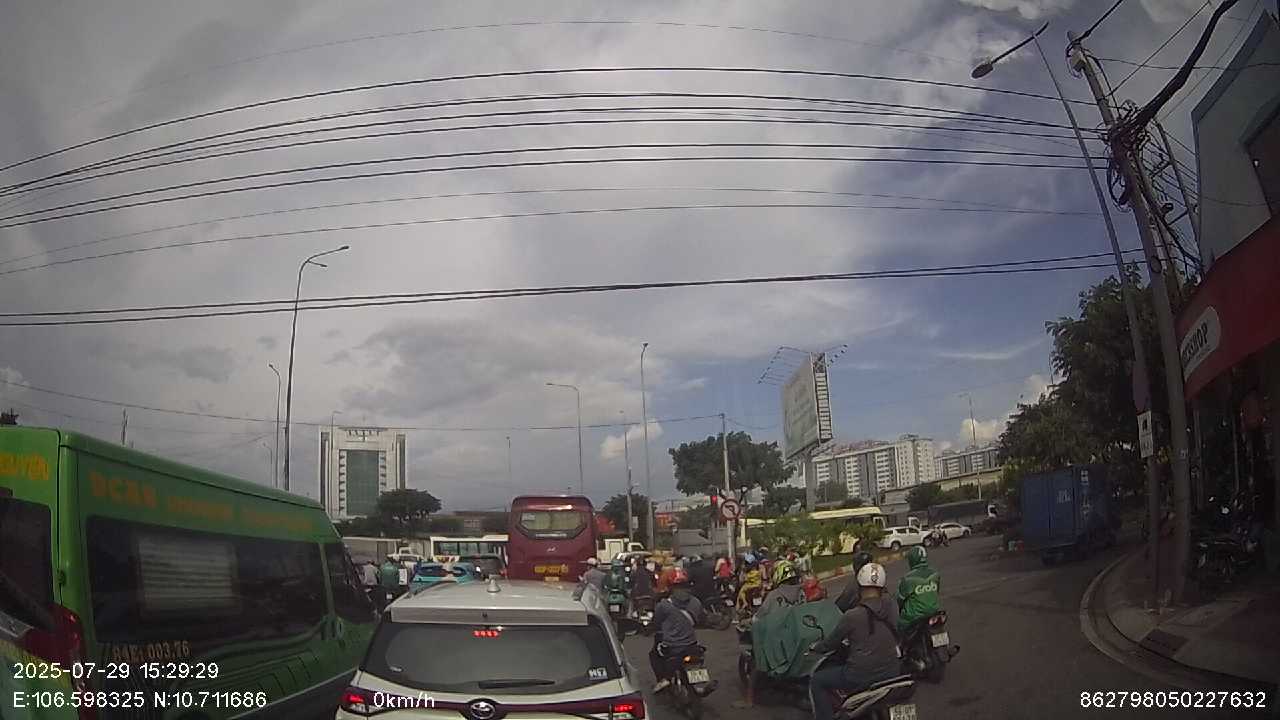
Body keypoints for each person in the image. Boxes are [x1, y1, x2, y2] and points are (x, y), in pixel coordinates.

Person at [808, 563, 901, 720]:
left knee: (817, 681)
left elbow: (830, 643)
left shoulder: (852, 616)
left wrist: (815, 647)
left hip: (860, 675)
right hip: (893, 670)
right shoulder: (892, 605)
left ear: (859, 587)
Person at [649, 568, 704, 693]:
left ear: (671, 587)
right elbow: (701, 619)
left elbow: (656, 622)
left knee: (653, 654)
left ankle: (663, 679)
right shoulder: (696, 602)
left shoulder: (664, 605)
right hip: (692, 645)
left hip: (672, 647)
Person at [896, 546, 941, 634]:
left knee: (900, 626)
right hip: (934, 613)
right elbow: (936, 592)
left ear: (912, 559)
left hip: (914, 617)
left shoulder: (907, 579)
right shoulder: (935, 574)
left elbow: (900, 600)